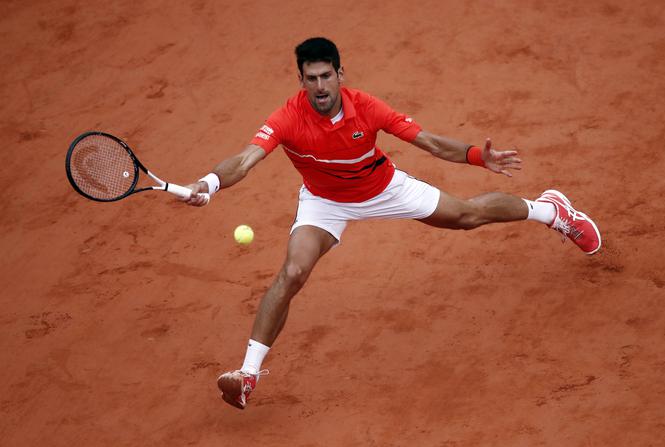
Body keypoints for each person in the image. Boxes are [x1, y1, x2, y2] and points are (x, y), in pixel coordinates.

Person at [182, 37, 601, 410]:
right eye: (311, 79)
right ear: (301, 80)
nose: (321, 87)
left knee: (467, 216)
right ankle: (247, 374)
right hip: (325, 201)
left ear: (340, 74)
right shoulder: (288, 117)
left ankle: (551, 211)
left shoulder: (366, 107)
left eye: (327, 76)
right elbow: (245, 159)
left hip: (383, 187)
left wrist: (477, 156)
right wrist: (211, 181)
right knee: (293, 272)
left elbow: (431, 142)